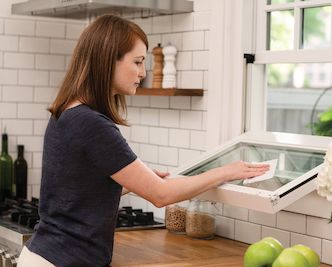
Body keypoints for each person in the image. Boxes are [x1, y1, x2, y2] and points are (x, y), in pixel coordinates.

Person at [17, 14, 270, 267]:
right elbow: (161, 196)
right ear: (107, 61)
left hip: (43, 255)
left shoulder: (66, 111)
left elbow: (73, 187)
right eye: (137, 62)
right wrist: (224, 172)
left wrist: (136, 181)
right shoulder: (92, 124)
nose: (143, 72)